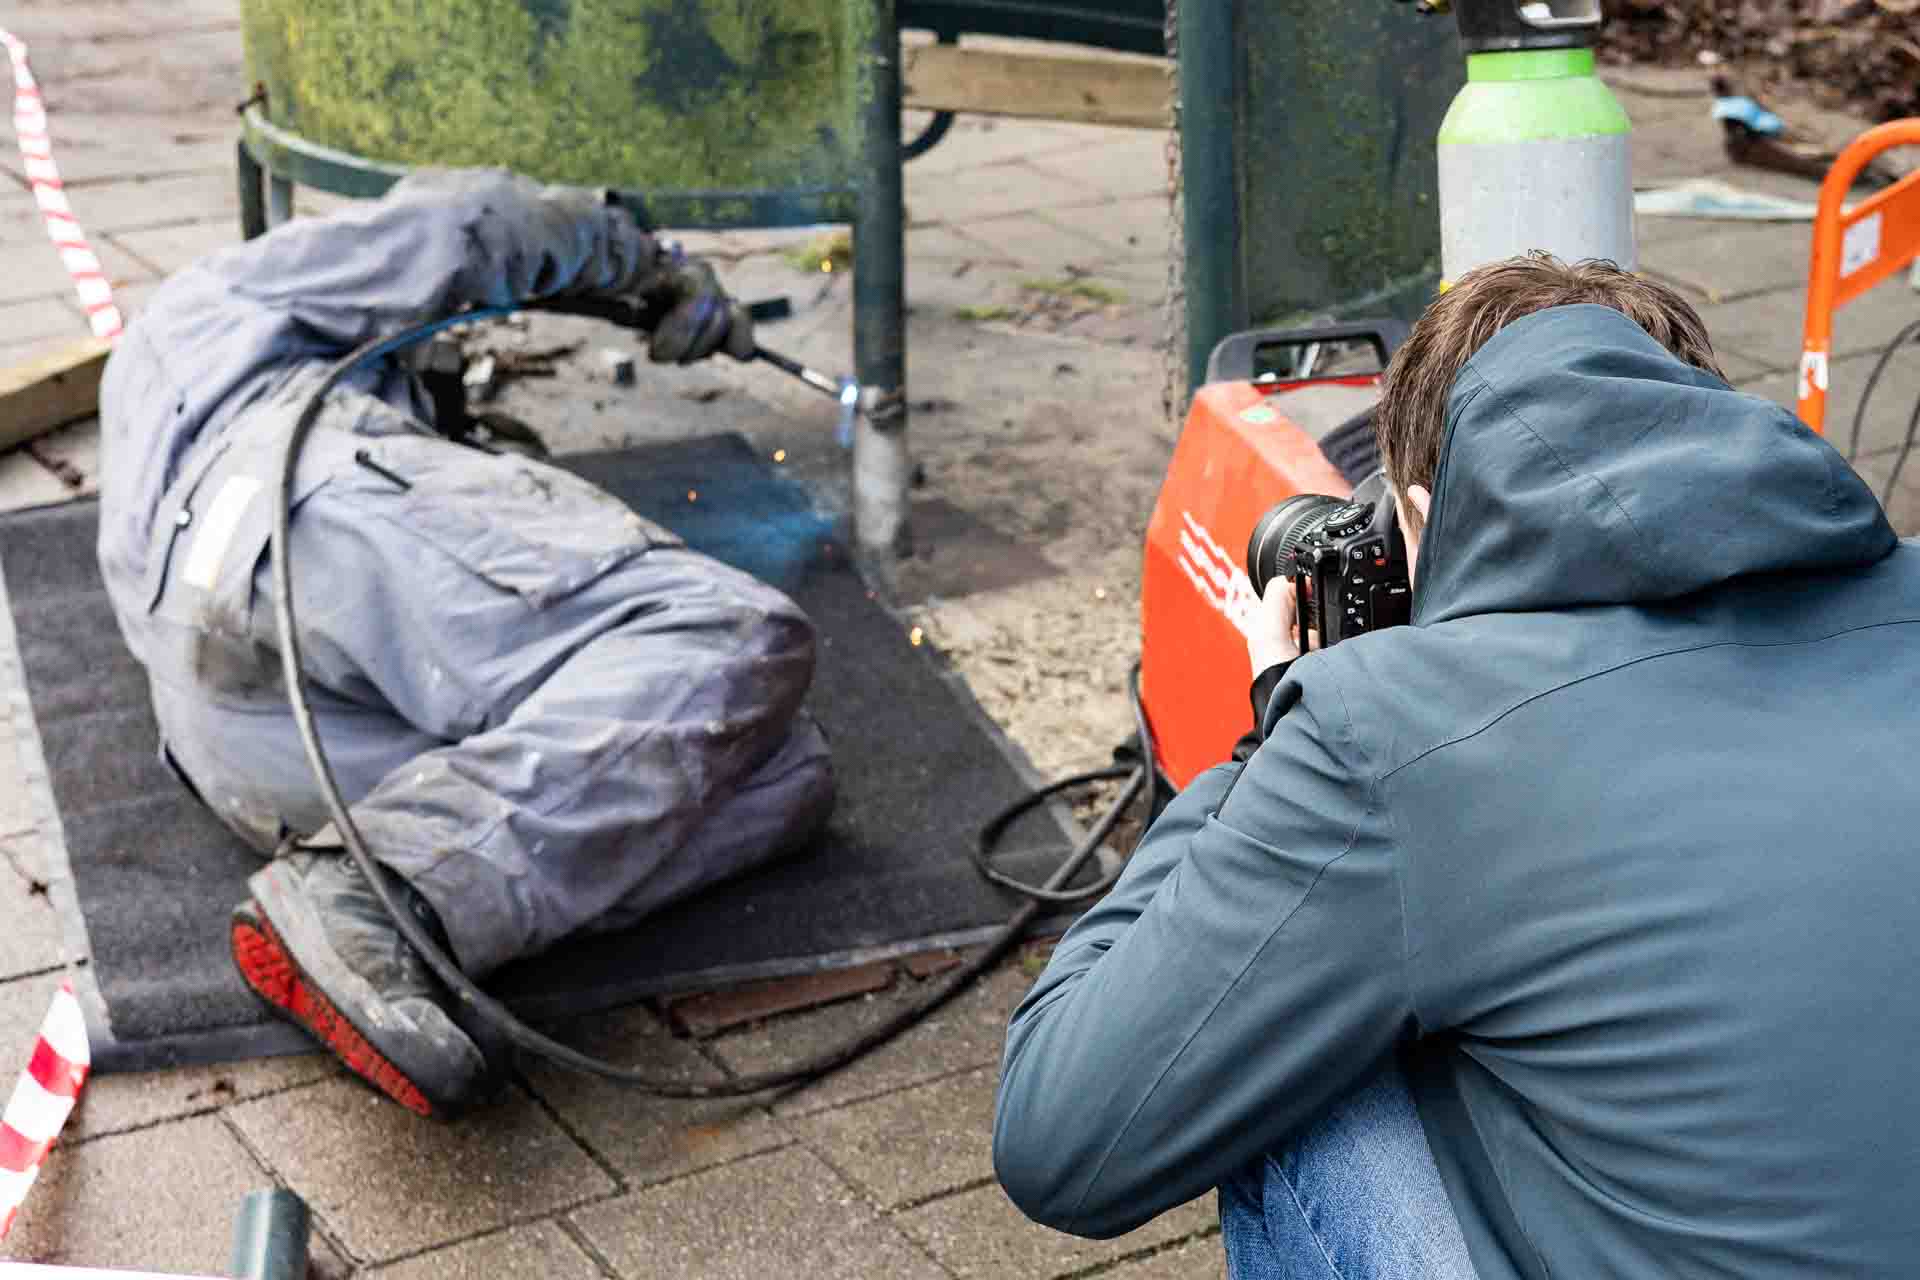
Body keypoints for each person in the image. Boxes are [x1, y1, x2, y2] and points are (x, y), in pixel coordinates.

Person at [993, 253, 1920, 1277]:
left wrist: (1270, 745)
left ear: (1423, 517)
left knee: (1274, 1064)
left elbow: (1059, 1138)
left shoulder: (1398, 729)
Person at [96, 170, 836, 1119]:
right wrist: (651, 269)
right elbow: (473, 219)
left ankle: (394, 902)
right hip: (300, 508)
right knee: (732, 638)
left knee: (779, 769)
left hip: (239, 746)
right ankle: (379, 894)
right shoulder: (231, 295)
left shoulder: (154, 394)